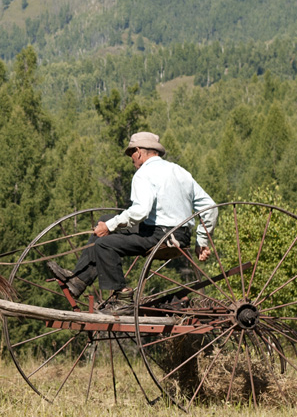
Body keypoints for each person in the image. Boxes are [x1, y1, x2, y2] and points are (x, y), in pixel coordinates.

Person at [49, 131, 217, 308]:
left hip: (160, 235)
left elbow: (140, 211)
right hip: (180, 235)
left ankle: (122, 299)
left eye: (132, 158)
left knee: (104, 243)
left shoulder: (144, 174)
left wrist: (110, 227)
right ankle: (79, 280)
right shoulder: (181, 172)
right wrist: (202, 241)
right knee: (105, 219)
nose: (133, 163)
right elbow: (210, 207)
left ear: (138, 151)